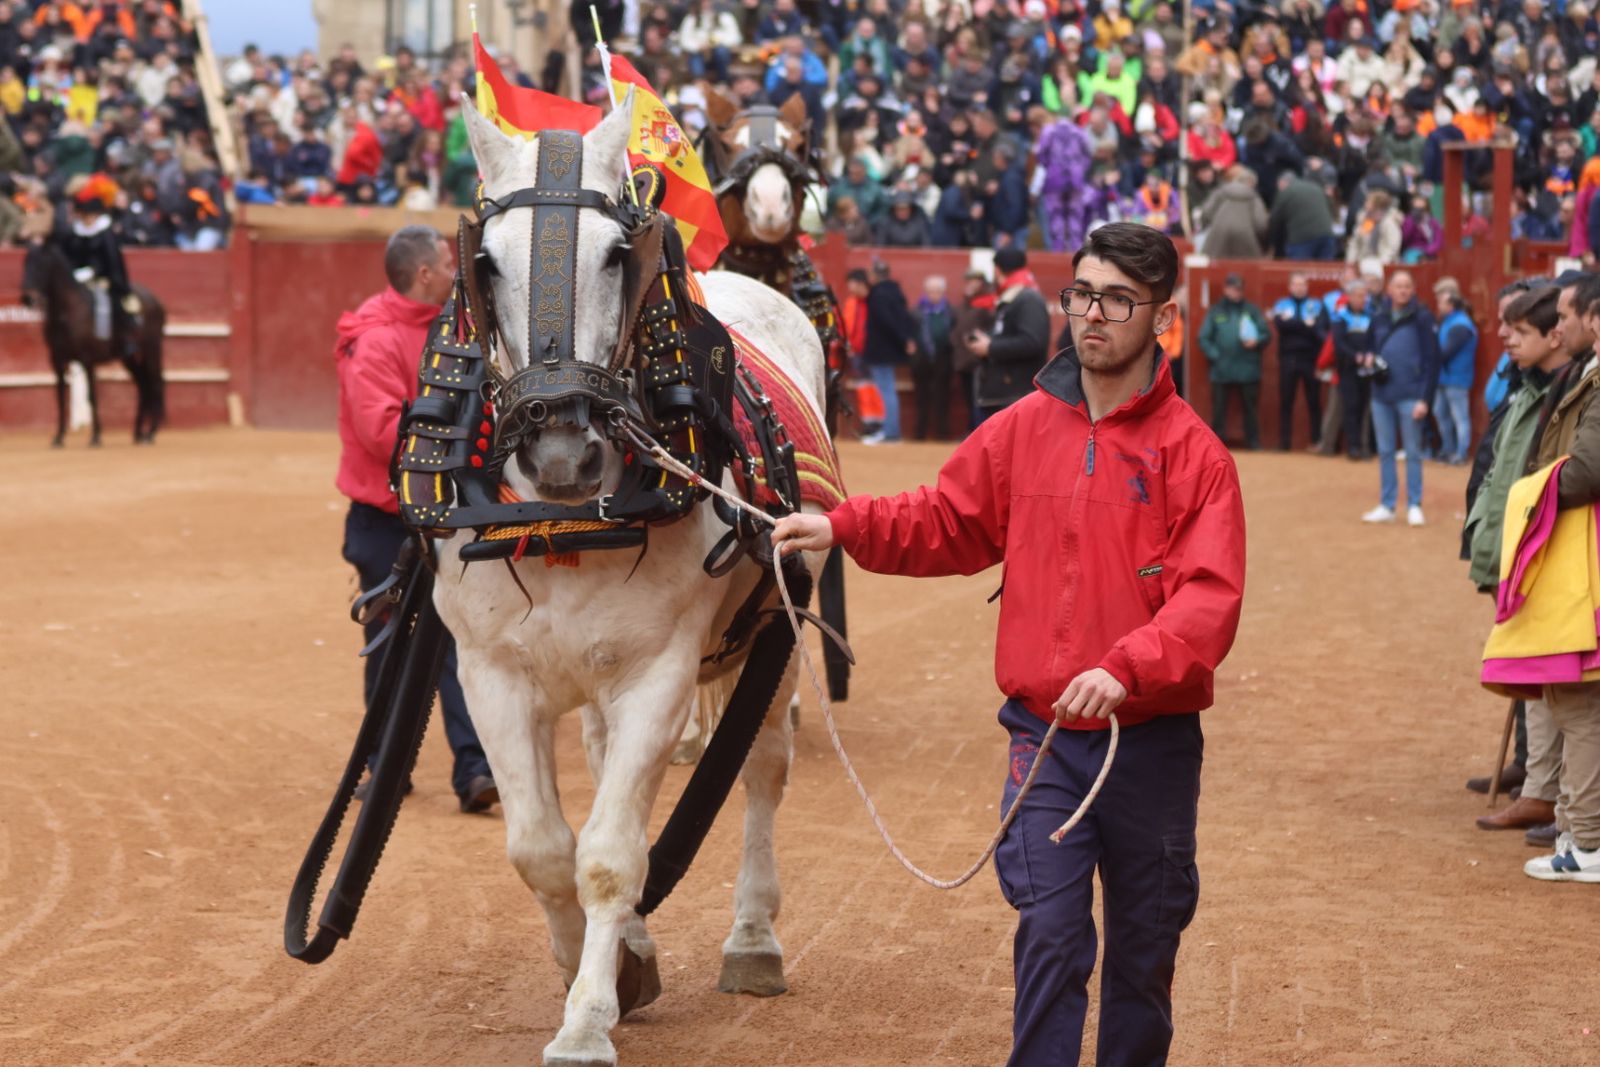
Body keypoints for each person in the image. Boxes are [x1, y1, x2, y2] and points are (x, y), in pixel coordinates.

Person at [769, 222, 1246, 1067]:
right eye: (1083, 293)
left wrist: (1125, 667)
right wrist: (843, 525)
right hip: (1046, 738)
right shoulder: (1023, 427)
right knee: (1052, 934)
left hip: (1151, 745)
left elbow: (1208, 601)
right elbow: (945, 517)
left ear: (1164, 318)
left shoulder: (1196, 456)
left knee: (1144, 957)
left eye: (1118, 300)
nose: (1092, 314)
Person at [334, 225, 498, 814]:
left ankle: (475, 769)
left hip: (445, 511)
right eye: (448, 264)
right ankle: (386, 767)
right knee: (390, 644)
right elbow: (381, 432)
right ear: (424, 274)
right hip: (388, 521)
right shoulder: (375, 340)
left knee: (461, 641)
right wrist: (466, 446)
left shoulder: (456, 328)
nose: (456, 271)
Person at [1464, 284, 1568, 838]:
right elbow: (1497, 468)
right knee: (1529, 667)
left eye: (1518, 328)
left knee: (1548, 673)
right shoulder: (1523, 387)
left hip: (1538, 548)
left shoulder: (1560, 391)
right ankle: (1534, 775)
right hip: (1509, 542)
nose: (1505, 336)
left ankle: (1546, 787)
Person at [1520, 273, 1600, 882]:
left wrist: (1531, 495)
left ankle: (1587, 843)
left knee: (1579, 704)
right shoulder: (1582, 376)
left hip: (1585, 560)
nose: (1562, 325)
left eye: (1570, 314)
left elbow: (1584, 471)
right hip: (1580, 556)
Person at [1361, 271, 1439, 526]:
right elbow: (1368, 347)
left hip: (1410, 396)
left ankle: (1414, 505)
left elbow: (1432, 360)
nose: (1403, 290)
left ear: (1413, 290)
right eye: (1398, 286)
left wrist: (1424, 399)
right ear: (1389, 290)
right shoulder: (1379, 317)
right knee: (1385, 451)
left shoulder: (1423, 318)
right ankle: (1387, 505)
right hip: (1380, 395)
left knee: (1413, 452)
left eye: (1407, 286)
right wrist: (1369, 358)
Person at [60, 175, 139, 358]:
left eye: (87, 214)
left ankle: (126, 339)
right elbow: (69, 256)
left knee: (113, 303)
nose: (85, 218)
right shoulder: (75, 232)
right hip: (77, 278)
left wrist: (95, 272)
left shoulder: (105, 233)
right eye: (83, 214)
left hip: (104, 279)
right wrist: (74, 272)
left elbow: (111, 260)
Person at [968, 247, 1051, 422]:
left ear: (997, 270)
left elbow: (1033, 341)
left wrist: (990, 347)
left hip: (1014, 395)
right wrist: (987, 339)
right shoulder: (1014, 297)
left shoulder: (1027, 298)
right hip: (1006, 394)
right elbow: (1008, 333)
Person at [1199, 272, 1268, 450]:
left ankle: (1253, 442)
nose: (1236, 292)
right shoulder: (1216, 311)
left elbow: (1265, 334)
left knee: (1250, 408)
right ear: (1226, 289)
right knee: (1219, 408)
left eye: (1239, 289)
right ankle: (1216, 444)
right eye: (1233, 288)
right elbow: (1204, 338)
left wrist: (1257, 341)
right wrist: (1216, 356)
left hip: (1248, 367)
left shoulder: (1252, 310)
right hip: (1222, 369)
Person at [860, 258, 918, 444]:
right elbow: (903, 319)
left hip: (880, 349)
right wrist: (906, 339)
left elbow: (887, 322)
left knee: (885, 390)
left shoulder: (878, 295)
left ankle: (891, 431)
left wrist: (903, 339)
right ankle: (890, 430)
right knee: (888, 389)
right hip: (891, 348)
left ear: (874, 276)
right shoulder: (895, 292)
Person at [1271, 272, 1329, 450]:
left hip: (1310, 359)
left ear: (1307, 286)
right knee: (1286, 401)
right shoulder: (1281, 304)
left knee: (1314, 401)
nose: (1299, 287)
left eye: (1302, 284)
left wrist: (1294, 324)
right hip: (1288, 359)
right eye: (1296, 284)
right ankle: (1285, 443)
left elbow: (1319, 329)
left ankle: (1317, 441)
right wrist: (1305, 324)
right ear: (1290, 287)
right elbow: (1281, 326)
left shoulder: (1317, 305)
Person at [1432, 277, 1478, 465]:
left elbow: (1445, 353)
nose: (1438, 305)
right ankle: (1448, 449)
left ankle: (1460, 453)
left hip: (1456, 378)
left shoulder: (1460, 324)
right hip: (1445, 377)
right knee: (1442, 414)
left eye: (1441, 302)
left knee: (1459, 417)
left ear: (1450, 304)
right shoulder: (1451, 321)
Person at [1330, 278, 1374, 460]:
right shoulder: (1340, 317)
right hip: (1347, 368)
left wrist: (1369, 354)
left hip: (1367, 369)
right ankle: (1353, 446)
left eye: (1364, 296)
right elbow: (1339, 343)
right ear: (1349, 296)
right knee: (1351, 407)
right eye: (1358, 295)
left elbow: (1374, 339)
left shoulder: (1370, 316)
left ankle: (1364, 446)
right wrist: (1355, 356)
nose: (1362, 299)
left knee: (1364, 408)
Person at [952, 269, 996, 434]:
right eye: (968, 280)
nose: (970, 284)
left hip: (980, 358)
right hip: (964, 358)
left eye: (974, 280)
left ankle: (978, 431)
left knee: (979, 399)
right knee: (970, 398)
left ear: (981, 282)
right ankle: (973, 430)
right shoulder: (966, 303)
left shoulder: (988, 303)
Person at [913, 274, 955, 440]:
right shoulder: (916, 312)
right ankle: (920, 432)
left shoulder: (950, 312)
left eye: (937, 291)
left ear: (943, 292)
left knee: (942, 397)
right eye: (931, 291)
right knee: (921, 397)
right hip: (921, 359)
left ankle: (942, 433)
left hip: (943, 358)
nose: (934, 295)